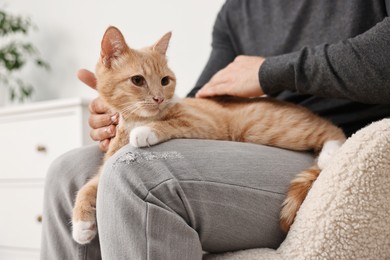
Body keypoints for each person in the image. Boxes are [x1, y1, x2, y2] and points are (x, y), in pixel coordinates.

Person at [40, 0, 390, 259]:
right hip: (243, 137)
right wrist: (127, 111)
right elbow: (206, 94)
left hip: (337, 141)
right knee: (67, 173)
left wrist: (268, 72)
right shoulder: (238, 10)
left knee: (136, 172)